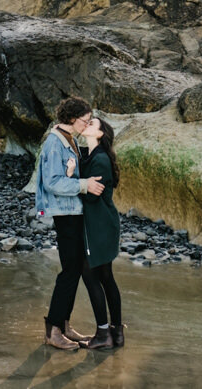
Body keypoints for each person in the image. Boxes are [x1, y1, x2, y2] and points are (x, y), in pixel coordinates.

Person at [34, 96, 105, 351]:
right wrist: (84, 185)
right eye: (85, 120)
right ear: (72, 118)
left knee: (73, 270)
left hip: (73, 212)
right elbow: (52, 182)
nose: (87, 125)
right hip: (65, 214)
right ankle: (53, 330)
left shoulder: (69, 140)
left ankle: (63, 325)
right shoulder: (55, 144)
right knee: (69, 272)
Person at [79, 116, 123, 349]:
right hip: (103, 224)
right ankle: (116, 334)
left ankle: (103, 334)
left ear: (100, 134)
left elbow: (90, 195)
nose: (87, 125)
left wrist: (72, 180)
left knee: (90, 275)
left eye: (92, 124)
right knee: (106, 277)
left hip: (99, 226)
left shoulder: (100, 160)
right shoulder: (92, 156)